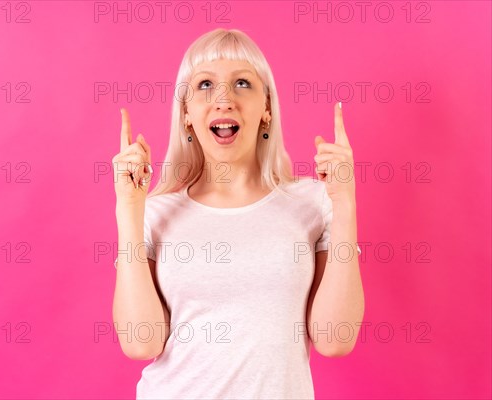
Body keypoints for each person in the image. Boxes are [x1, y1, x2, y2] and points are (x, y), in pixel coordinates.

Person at [112, 28, 365, 400]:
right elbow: (140, 343)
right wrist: (128, 211)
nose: (224, 100)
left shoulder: (313, 202)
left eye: (242, 83)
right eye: (204, 85)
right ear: (186, 114)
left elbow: (335, 338)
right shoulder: (154, 213)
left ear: (266, 108)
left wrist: (345, 203)